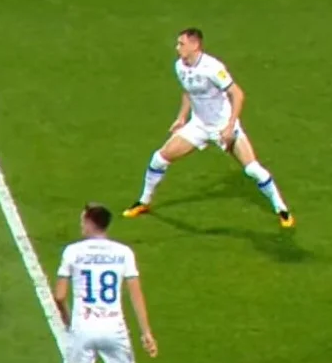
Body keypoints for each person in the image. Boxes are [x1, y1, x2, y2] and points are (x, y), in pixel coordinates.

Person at [124, 29, 291, 227]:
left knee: (253, 169)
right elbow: (188, 91)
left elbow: (237, 94)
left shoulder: (213, 67)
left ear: (195, 45)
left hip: (222, 126)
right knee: (159, 158)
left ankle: (282, 209)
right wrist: (181, 117)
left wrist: (230, 126)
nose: (177, 48)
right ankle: (144, 202)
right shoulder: (180, 66)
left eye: (181, 44)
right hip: (199, 125)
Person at [53, 203, 160, 363]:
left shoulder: (73, 252)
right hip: (114, 327)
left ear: (91, 223)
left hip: (83, 327)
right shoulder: (123, 253)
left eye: (82, 220)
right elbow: (136, 295)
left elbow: (59, 295)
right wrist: (146, 332)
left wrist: (68, 320)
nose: (81, 224)